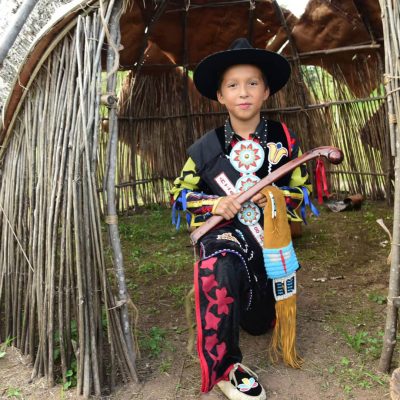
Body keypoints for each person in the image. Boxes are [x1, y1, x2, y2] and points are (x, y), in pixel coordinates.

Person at [170, 38, 312, 400]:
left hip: (269, 243)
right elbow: (178, 196)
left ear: (266, 91)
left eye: (252, 83)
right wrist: (213, 205)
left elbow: (304, 193)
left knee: (260, 323)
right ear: (220, 96)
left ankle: (255, 307)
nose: (243, 92)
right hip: (226, 237)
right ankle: (225, 367)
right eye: (233, 85)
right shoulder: (205, 149)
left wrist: (278, 198)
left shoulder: (285, 142)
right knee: (218, 264)